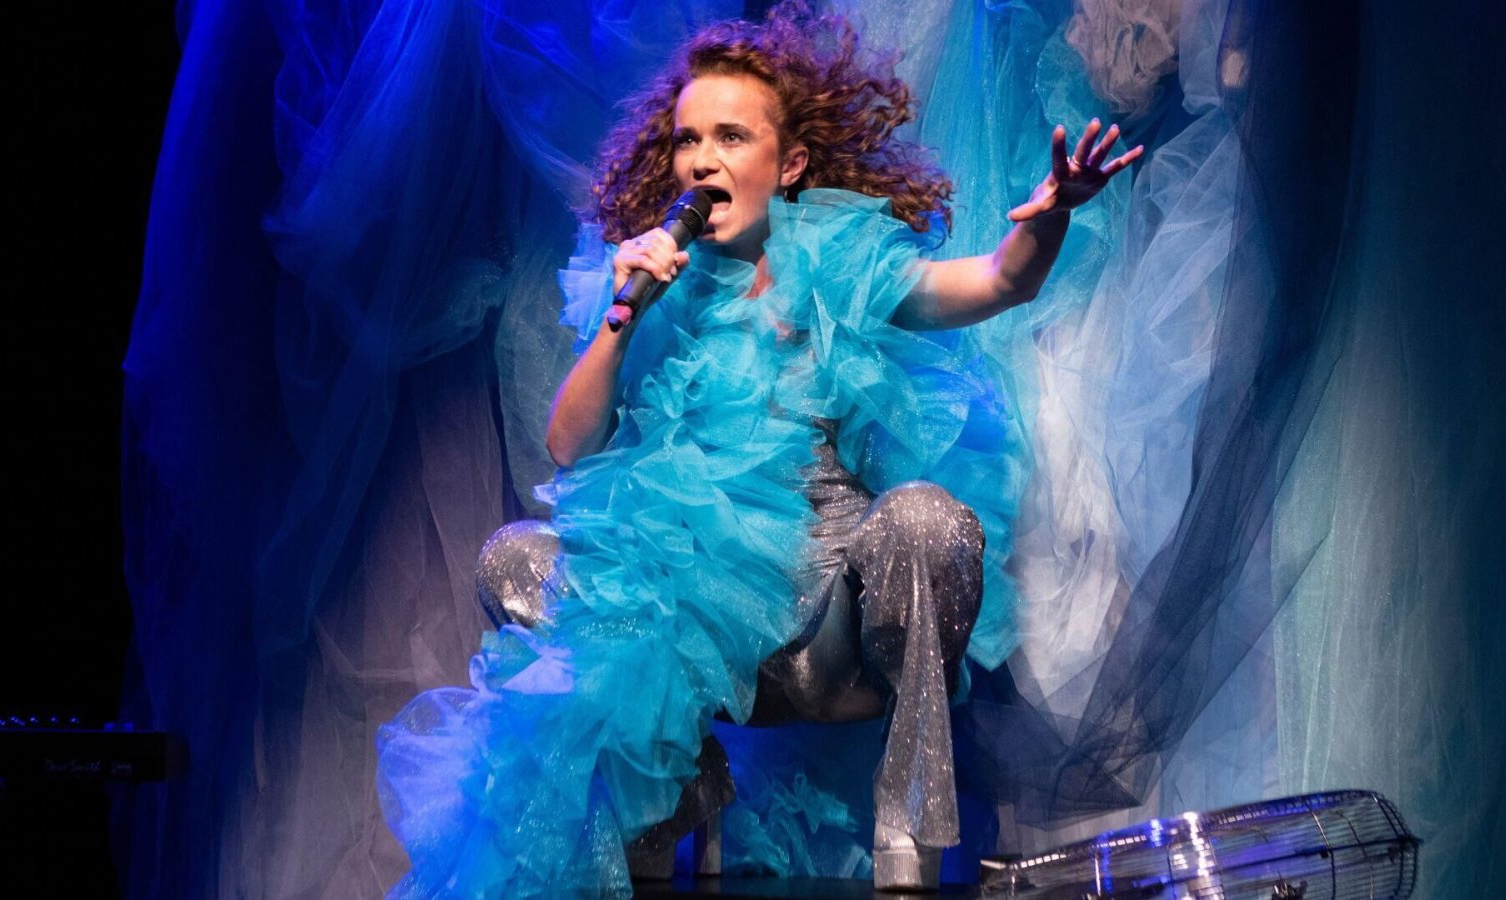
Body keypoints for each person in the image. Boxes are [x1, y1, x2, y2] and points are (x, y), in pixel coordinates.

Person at [377, 4, 1138, 896]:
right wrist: (625, 316)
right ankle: (673, 797)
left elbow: (998, 281)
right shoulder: (651, 283)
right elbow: (570, 447)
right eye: (687, 139)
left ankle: (909, 835)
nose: (702, 160)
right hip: (685, 623)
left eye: (731, 137)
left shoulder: (839, 264)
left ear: (791, 164)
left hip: (823, 630)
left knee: (928, 521)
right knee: (515, 559)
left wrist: (1049, 220)